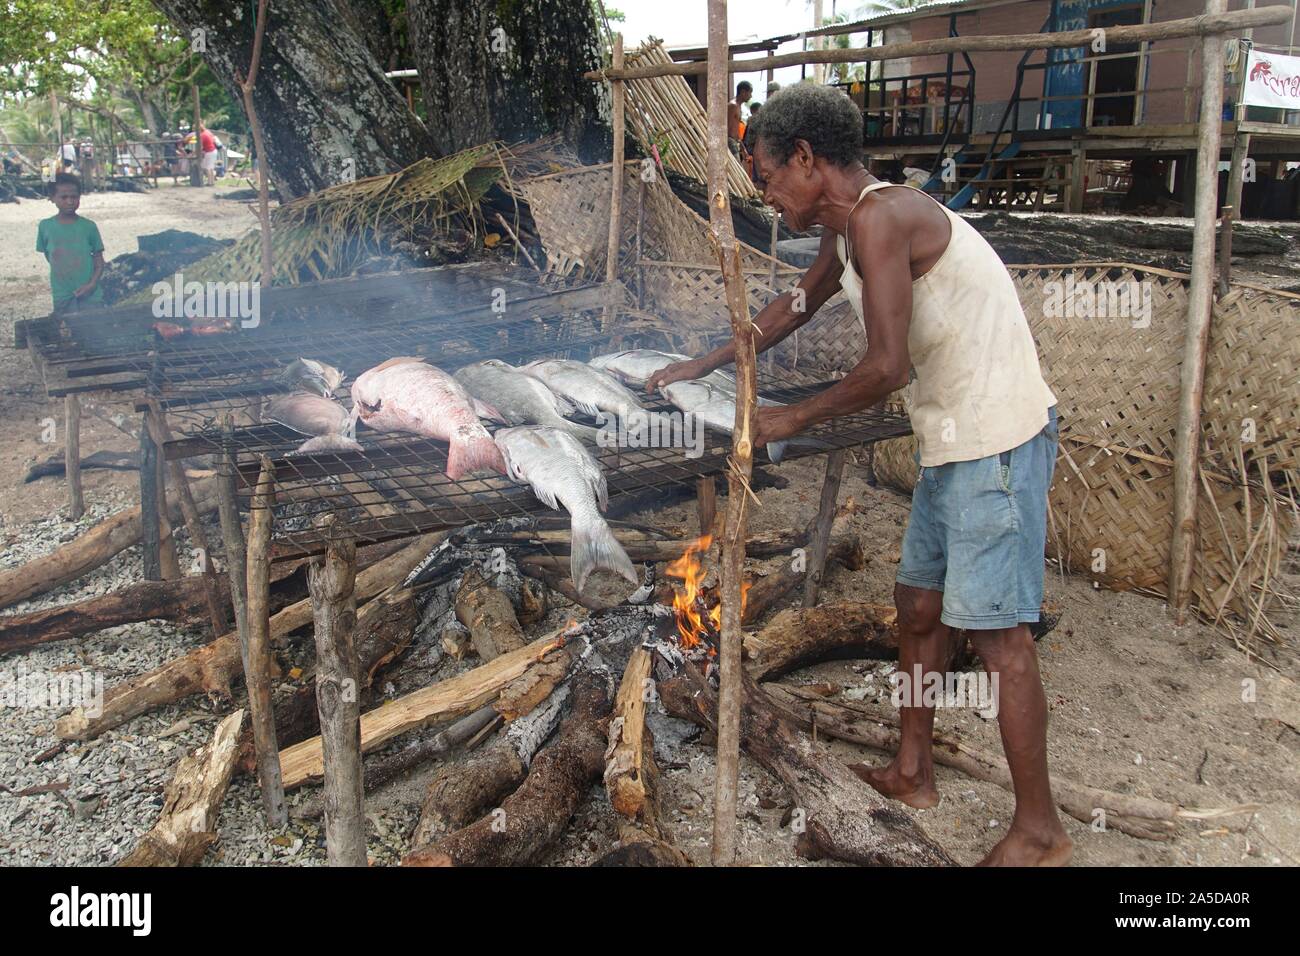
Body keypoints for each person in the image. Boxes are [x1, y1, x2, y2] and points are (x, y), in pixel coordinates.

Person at [648, 83, 1070, 867]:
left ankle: (1041, 831)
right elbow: (794, 307)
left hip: (998, 438)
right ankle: (913, 771)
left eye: (772, 177)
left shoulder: (882, 216)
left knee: (1000, 636)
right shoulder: (846, 231)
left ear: (808, 160)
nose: (769, 197)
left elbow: (886, 366)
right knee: (916, 607)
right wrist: (704, 362)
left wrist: (790, 419)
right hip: (952, 437)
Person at [37, 172, 105, 313]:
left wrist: (91, 284)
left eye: (74, 197)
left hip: (91, 296)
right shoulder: (45, 226)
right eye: (64, 197)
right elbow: (50, 257)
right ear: (52, 198)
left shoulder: (89, 226)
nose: (69, 201)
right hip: (62, 296)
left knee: (94, 330)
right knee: (66, 332)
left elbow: (99, 260)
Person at [729, 81, 752, 162]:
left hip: (735, 142)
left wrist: (743, 148)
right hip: (730, 142)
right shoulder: (732, 106)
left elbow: (736, 131)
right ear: (743, 92)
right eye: (750, 92)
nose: (751, 96)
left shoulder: (738, 107)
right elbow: (727, 127)